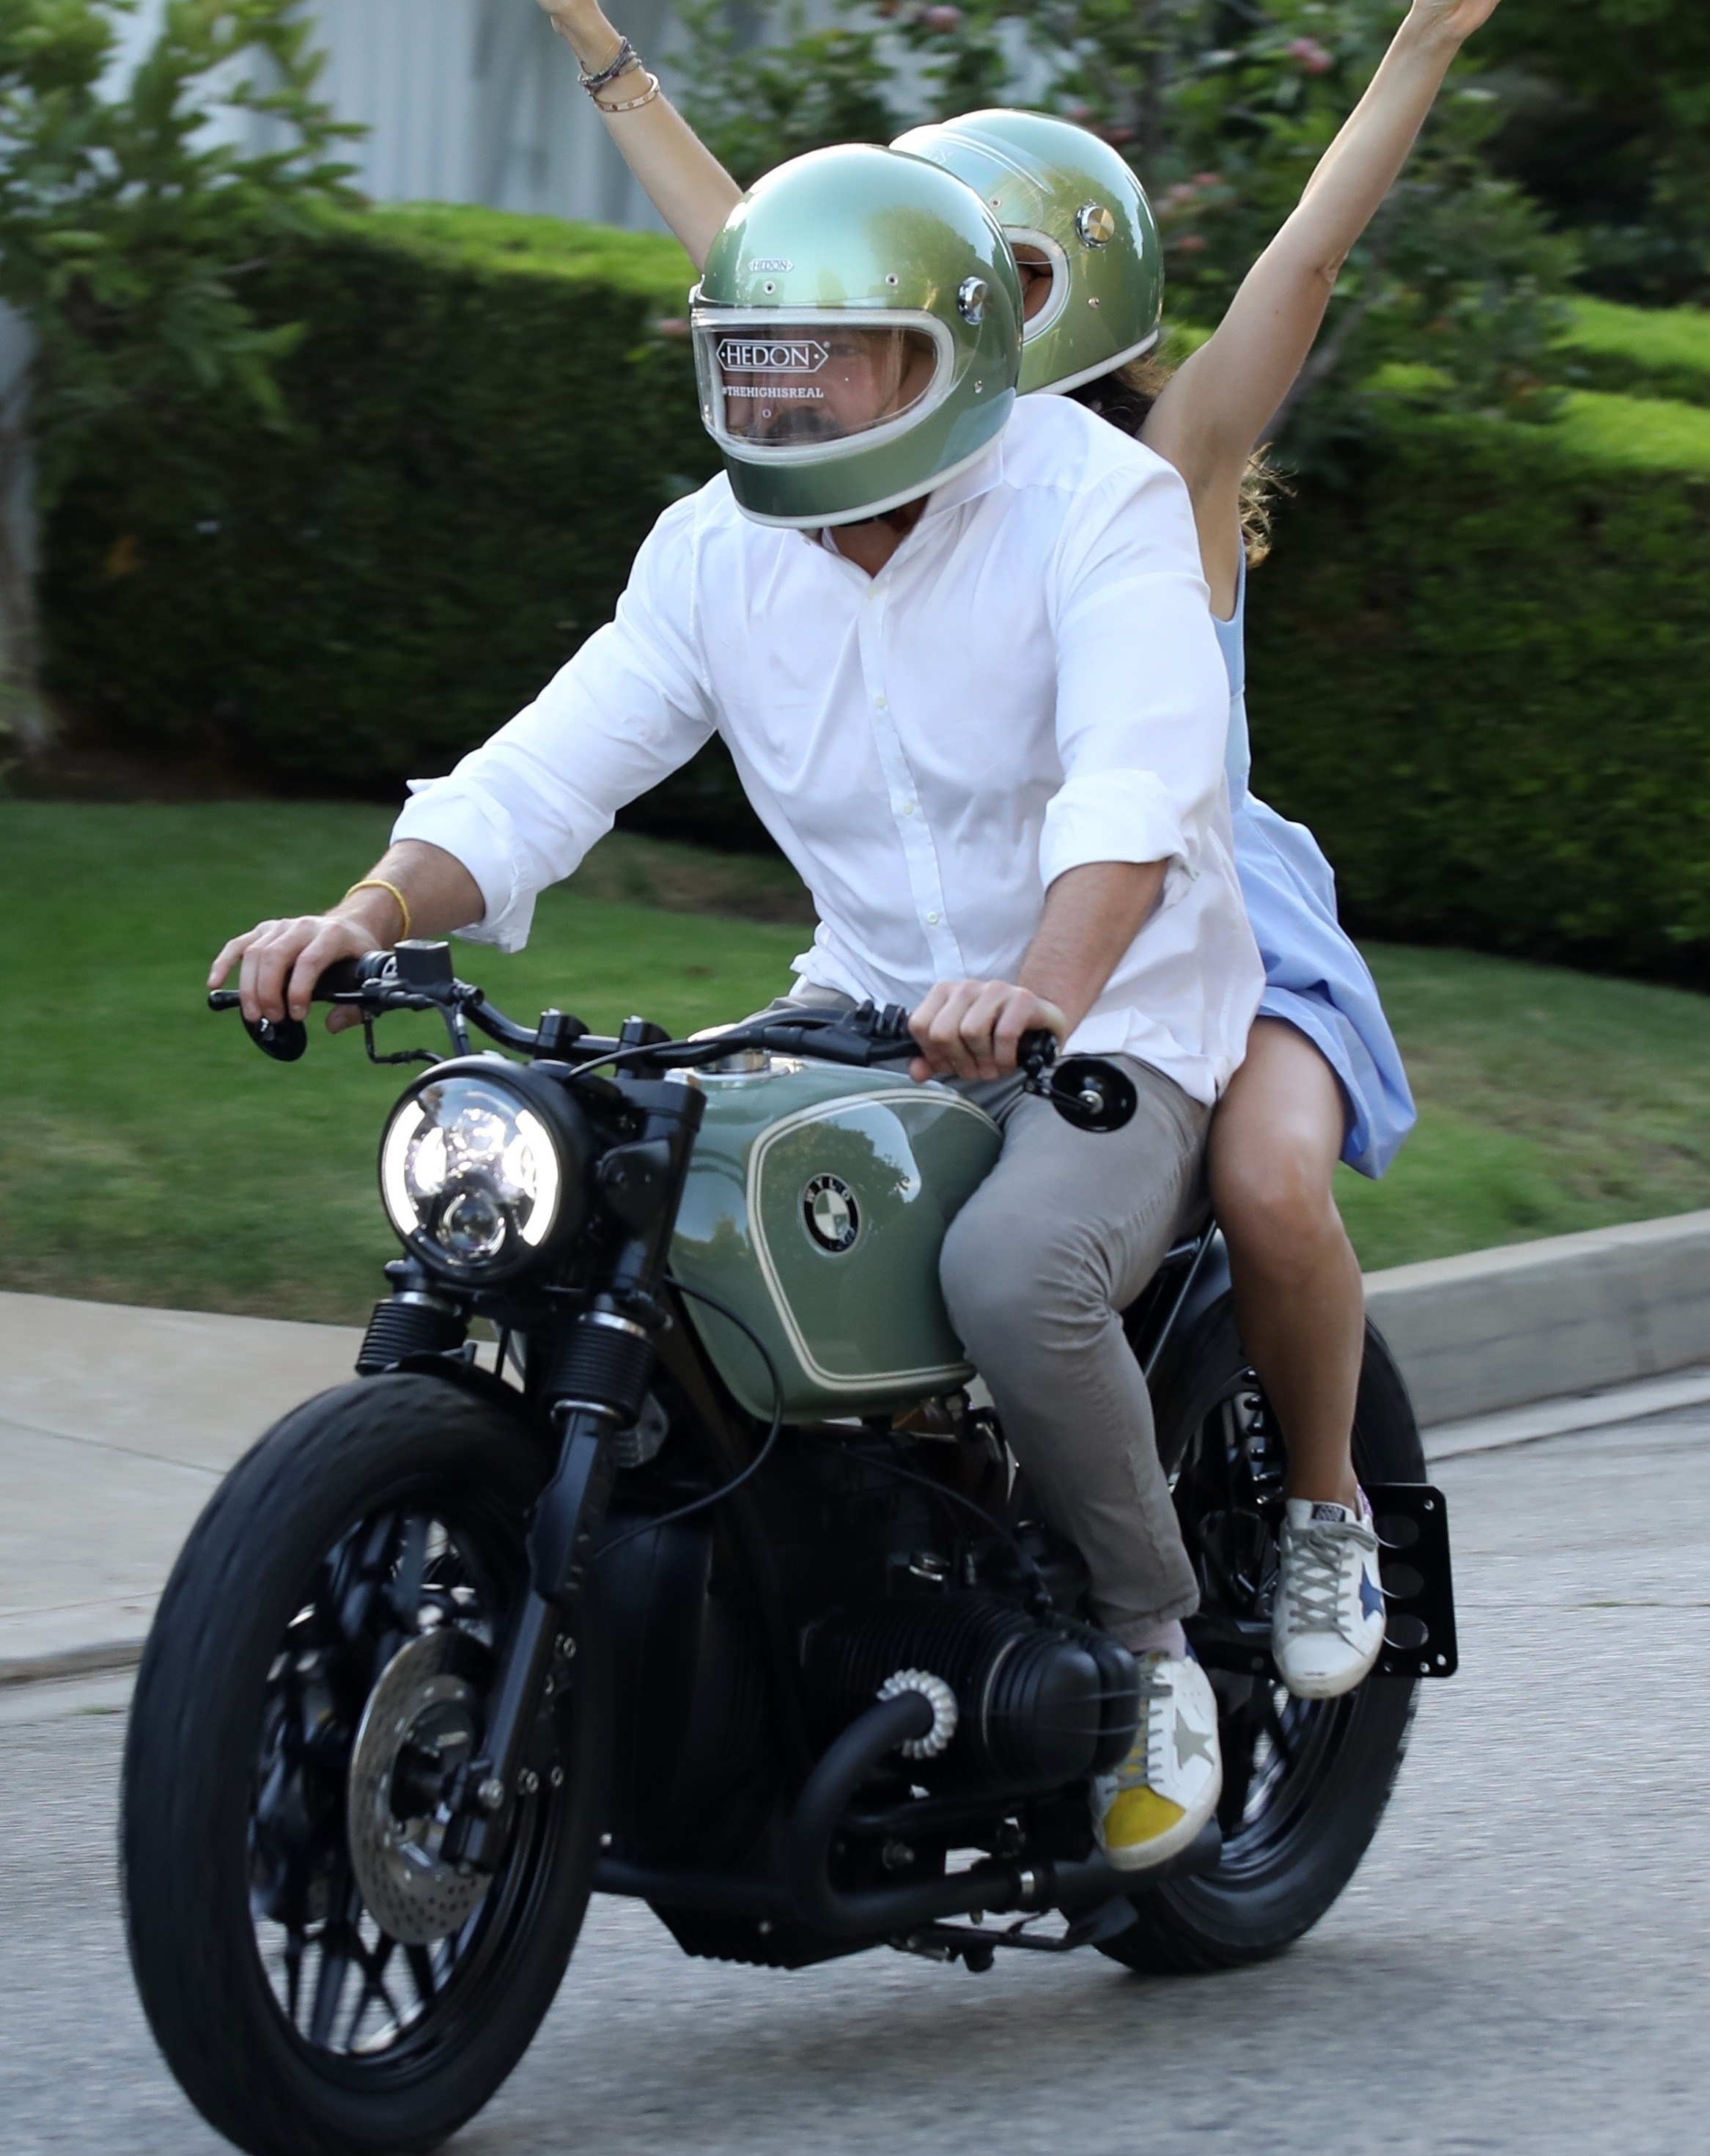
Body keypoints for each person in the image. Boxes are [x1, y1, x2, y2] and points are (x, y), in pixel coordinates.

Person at [479, 0, 1541, 1700]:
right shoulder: (876, 443)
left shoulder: (1167, 459)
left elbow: (1307, 253)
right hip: (969, 926)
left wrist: (1424, 38)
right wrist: (595, 41)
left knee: (1279, 1189)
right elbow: (748, 254)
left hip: (1205, 905)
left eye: (1022, 259)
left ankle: (1320, 1506)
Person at [210, 142, 1263, 1874]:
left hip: (1118, 1017)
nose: (787, 397)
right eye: (753, 361)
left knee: (1013, 1272)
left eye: (834, 355)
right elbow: (551, 765)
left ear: (951, 352)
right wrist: (370, 908)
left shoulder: (1097, 499)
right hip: (862, 998)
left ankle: (1152, 1647)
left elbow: (1137, 782)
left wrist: (1047, 991)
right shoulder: (717, 552)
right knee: (624, 1213)